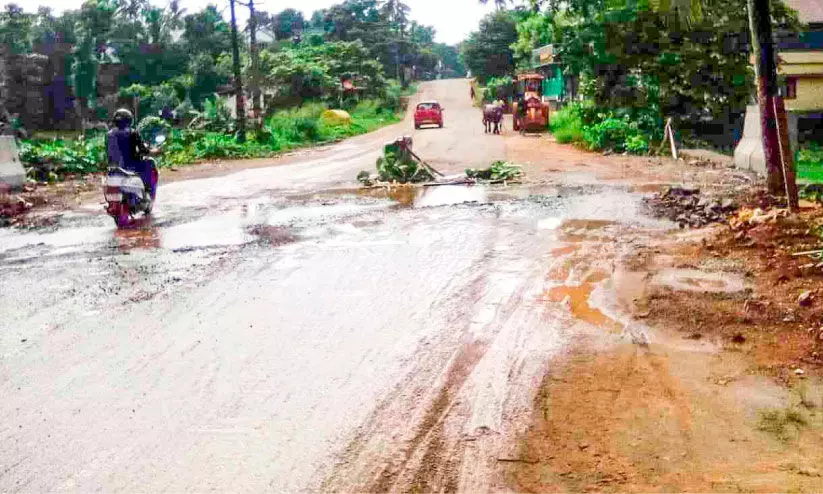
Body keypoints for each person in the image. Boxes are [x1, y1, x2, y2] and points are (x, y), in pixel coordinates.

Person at [107, 108, 156, 199]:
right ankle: (147, 191)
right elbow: (143, 151)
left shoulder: (109, 134)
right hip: (131, 166)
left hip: (113, 168)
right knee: (149, 162)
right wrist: (155, 151)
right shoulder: (132, 132)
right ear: (129, 120)